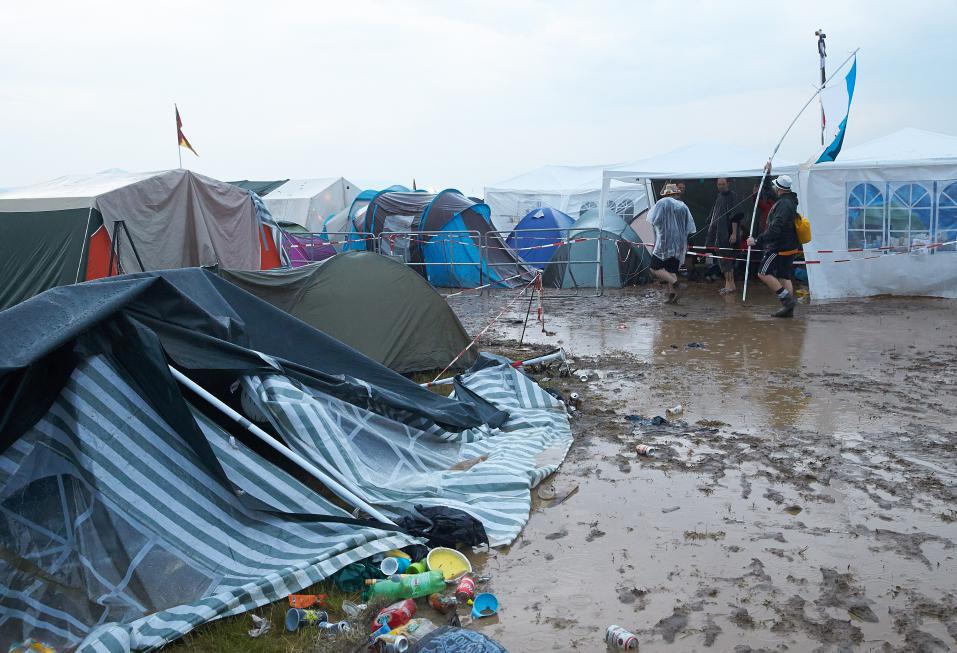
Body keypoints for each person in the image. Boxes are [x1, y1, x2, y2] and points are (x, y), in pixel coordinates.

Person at [747, 175, 800, 318]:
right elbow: (769, 192)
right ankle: (788, 310)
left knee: (763, 273)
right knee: (784, 276)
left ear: (780, 189)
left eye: (775, 186)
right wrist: (767, 174)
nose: (774, 188)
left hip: (779, 246)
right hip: (790, 245)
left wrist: (757, 240)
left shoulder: (784, 204)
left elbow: (775, 229)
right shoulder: (788, 200)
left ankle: (787, 300)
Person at [648, 183, 696, 304]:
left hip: (664, 242)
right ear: (676, 193)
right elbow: (689, 226)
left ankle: (677, 285)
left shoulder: (662, 203)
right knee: (671, 269)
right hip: (679, 243)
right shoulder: (683, 206)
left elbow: (655, 220)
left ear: (666, 194)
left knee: (655, 268)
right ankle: (672, 294)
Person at [705, 178, 744, 294]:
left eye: (723, 184)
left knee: (726, 260)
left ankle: (730, 285)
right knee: (723, 261)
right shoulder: (720, 196)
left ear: (728, 184)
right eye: (719, 184)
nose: (721, 186)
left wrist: (734, 233)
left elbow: (735, 216)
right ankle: (729, 285)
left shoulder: (732, 196)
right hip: (719, 234)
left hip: (727, 234)